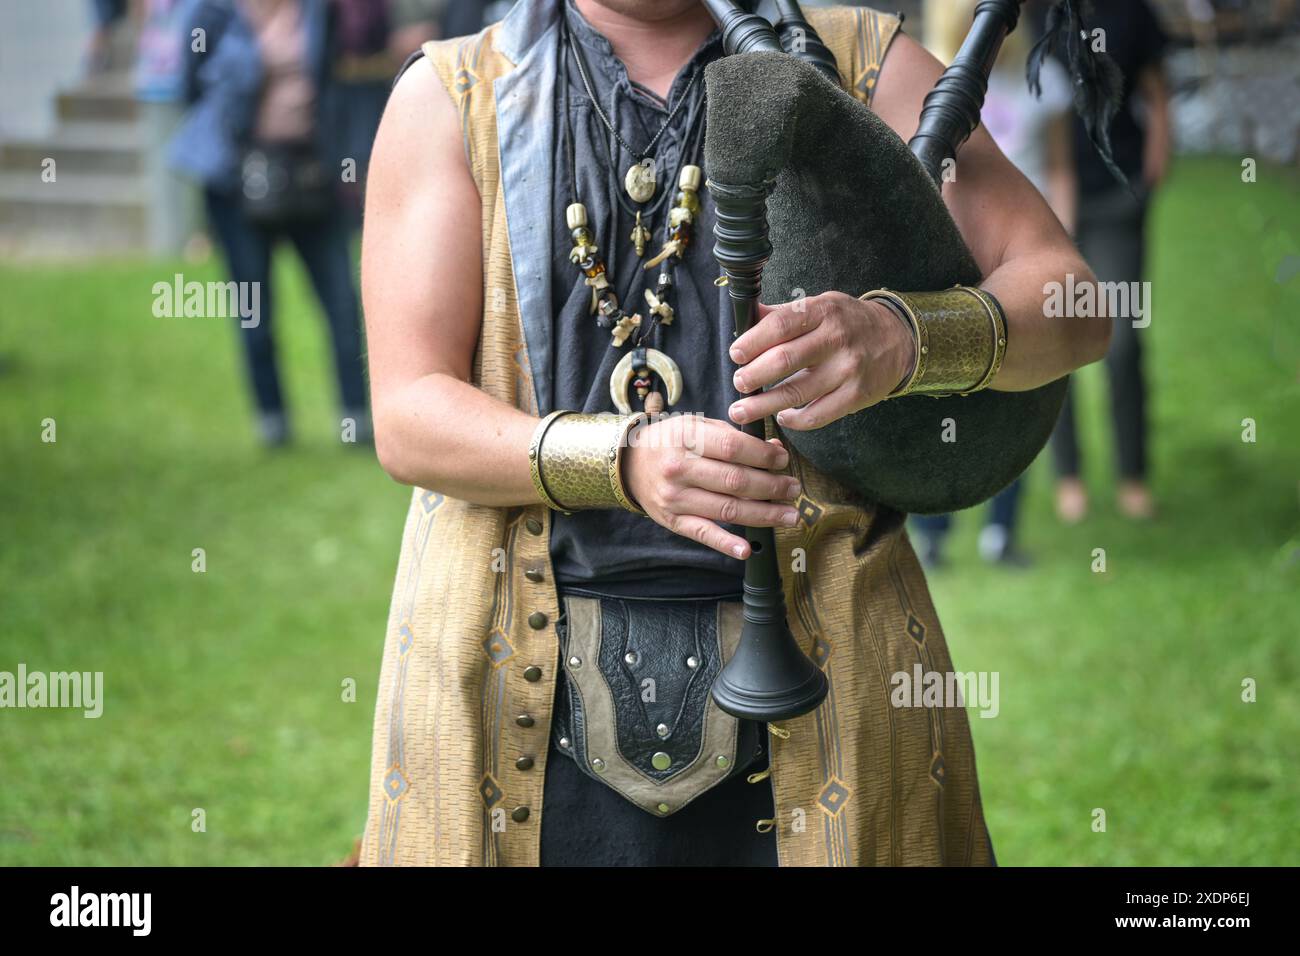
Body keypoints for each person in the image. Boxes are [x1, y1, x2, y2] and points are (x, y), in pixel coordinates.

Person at [356, 0, 1112, 867]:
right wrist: (622, 460)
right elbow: (409, 413)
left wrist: (905, 337)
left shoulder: (858, 63)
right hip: (508, 703)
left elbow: (1074, 305)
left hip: (835, 708)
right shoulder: (453, 97)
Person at [910, 0, 1079, 568]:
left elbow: (1059, 168)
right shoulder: (924, 78)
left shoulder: (1041, 80)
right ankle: (931, 534)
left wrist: (1058, 243)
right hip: (951, 257)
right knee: (938, 397)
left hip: (1019, 258)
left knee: (1017, 395)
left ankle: (1001, 534)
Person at [169, 0, 370, 447]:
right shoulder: (213, 14)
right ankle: (273, 424)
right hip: (237, 181)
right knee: (254, 311)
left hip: (309, 173)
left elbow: (336, 75)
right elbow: (190, 88)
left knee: (341, 302)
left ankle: (356, 421)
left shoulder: (316, 9)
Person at [1049, 0, 1170, 523]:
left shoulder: (1133, 13)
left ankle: (1132, 476)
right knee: (1054, 345)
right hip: (1046, 207)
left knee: (1122, 344)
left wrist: (1154, 165)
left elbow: (1157, 94)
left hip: (1117, 200)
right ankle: (1069, 477)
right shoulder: (1035, 17)